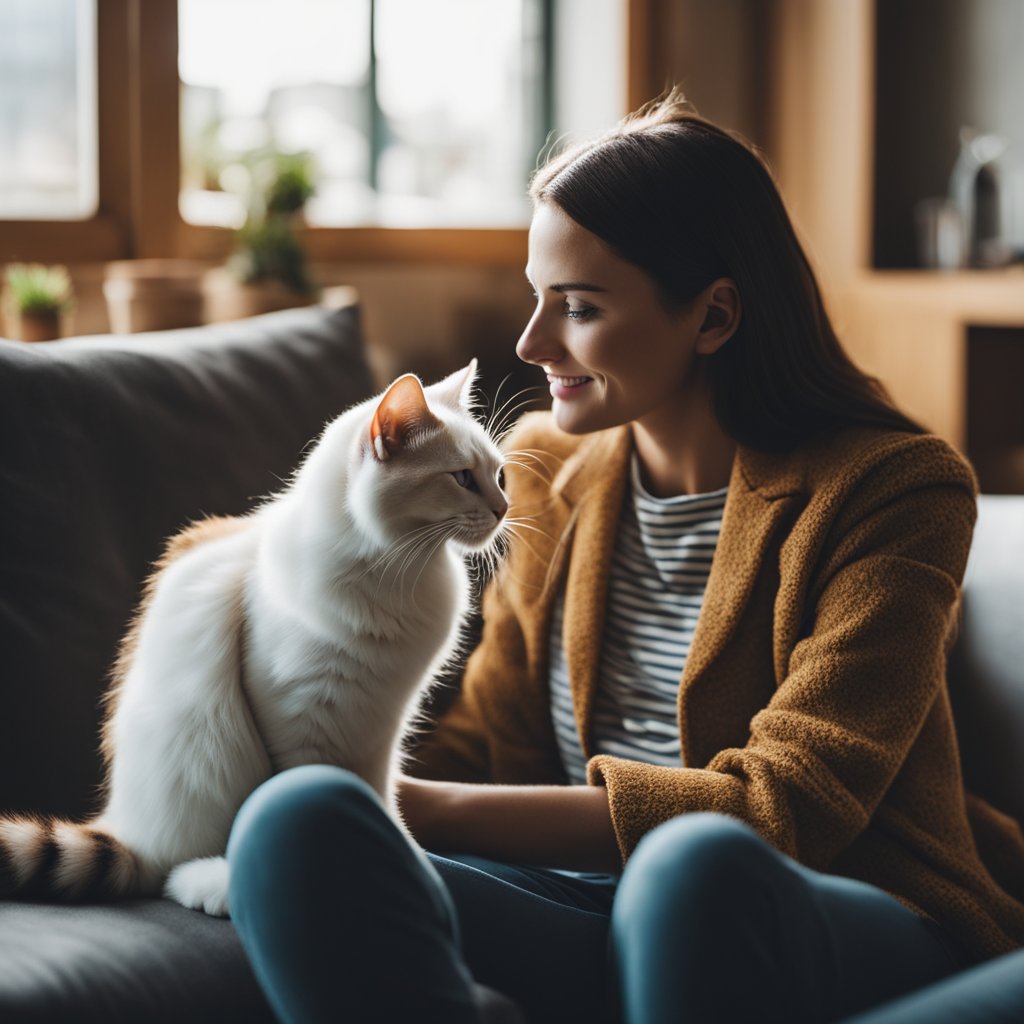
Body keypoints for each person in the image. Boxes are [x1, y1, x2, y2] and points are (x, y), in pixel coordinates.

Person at [225, 92, 1024, 1023]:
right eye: (537, 297)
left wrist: (413, 806)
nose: (531, 342)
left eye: (580, 307)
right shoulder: (546, 469)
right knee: (298, 824)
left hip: (841, 913)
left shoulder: (894, 490)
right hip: (592, 908)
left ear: (714, 316)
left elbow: (786, 809)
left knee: (692, 868)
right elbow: (492, 741)